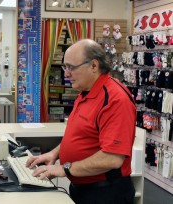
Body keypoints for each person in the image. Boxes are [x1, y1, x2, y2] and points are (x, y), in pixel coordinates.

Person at [26, 39, 136, 204]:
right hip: (83, 188)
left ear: (93, 66)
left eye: (71, 67)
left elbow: (112, 158)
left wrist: (64, 169)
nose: (66, 73)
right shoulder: (85, 92)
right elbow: (79, 135)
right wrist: (55, 153)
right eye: (65, 67)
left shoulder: (115, 99)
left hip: (106, 193)